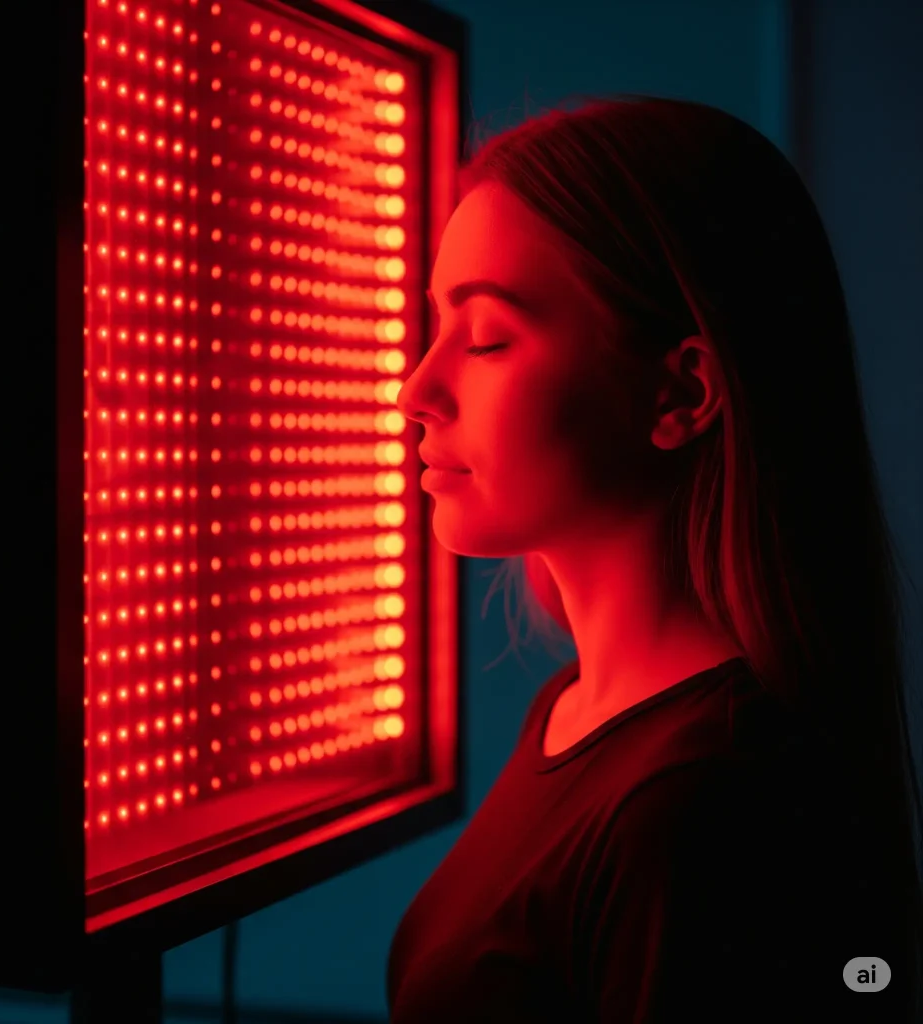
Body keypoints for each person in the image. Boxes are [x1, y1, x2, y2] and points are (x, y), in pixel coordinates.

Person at [389, 94, 923, 1022]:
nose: (416, 389)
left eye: (486, 338)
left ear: (680, 390)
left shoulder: (701, 808)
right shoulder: (573, 714)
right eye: (437, 326)